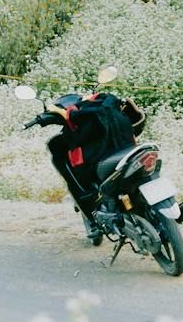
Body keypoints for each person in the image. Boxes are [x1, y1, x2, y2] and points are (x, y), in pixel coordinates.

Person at [35, 86, 145, 241]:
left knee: (80, 176)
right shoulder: (104, 102)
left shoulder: (80, 115)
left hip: (105, 157)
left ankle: (94, 221)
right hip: (127, 148)